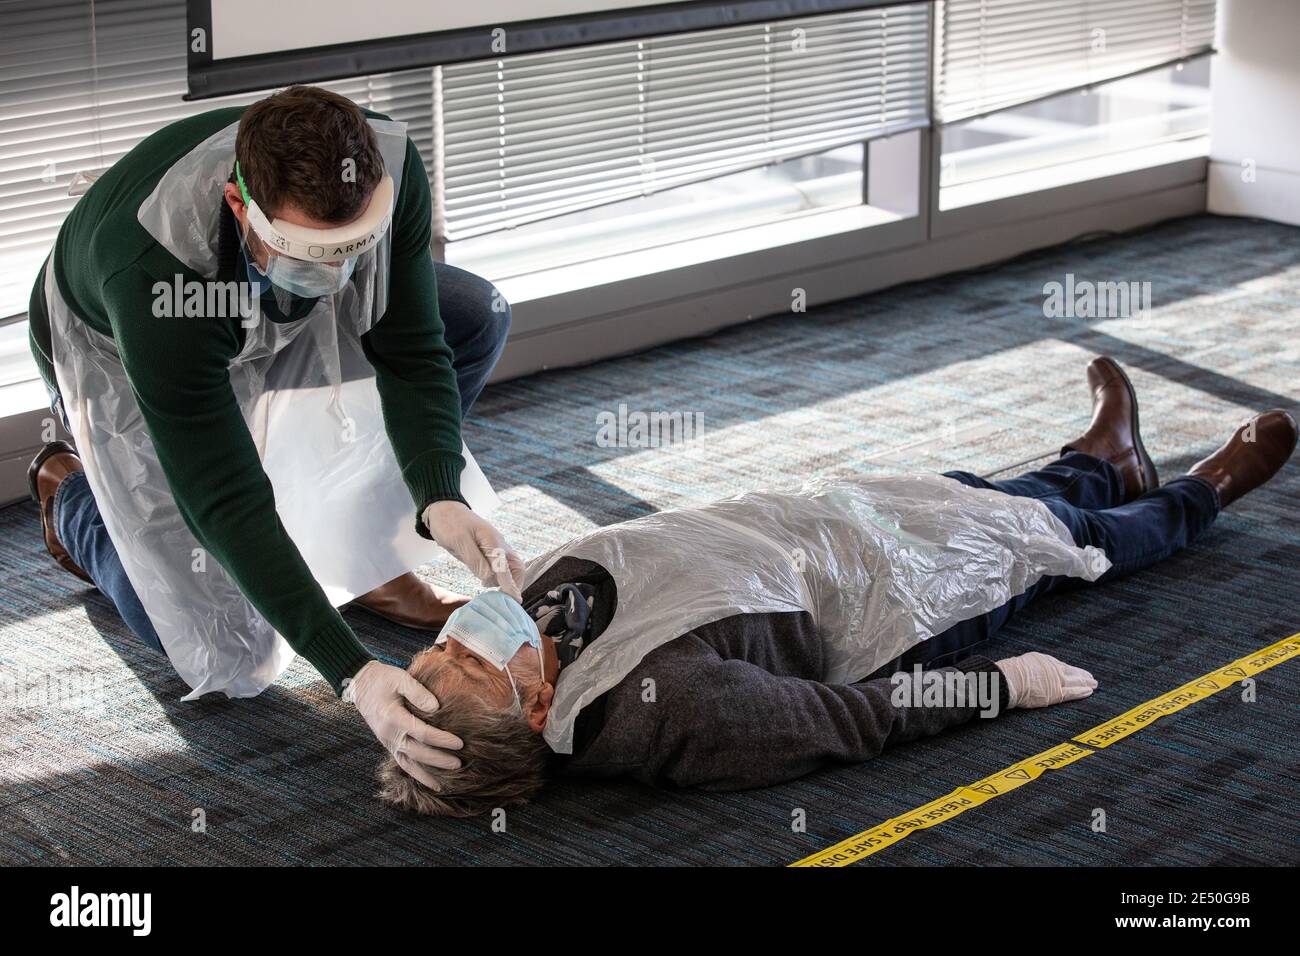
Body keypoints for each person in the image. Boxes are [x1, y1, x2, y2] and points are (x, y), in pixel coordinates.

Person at [372, 358, 1297, 816]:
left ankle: (1099, 460)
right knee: (1055, 542)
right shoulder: (676, 712)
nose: (465, 634)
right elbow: (854, 718)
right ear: (539, 712)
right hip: (905, 598)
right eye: (473, 664)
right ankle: (1197, 495)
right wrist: (1001, 688)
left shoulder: (529, 623)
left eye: (439, 647)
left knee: (973, 497)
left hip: (815, 528)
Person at [26, 85, 527, 787]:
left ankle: (365, 560)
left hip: (254, 298)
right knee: (216, 642)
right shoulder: (148, 265)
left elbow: (412, 349)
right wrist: (350, 671)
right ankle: (70, 500)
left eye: (355, 248)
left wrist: (440, 493)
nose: (339, 275)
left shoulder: (389, 167)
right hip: (131, 340)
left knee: (473, 315)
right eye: (312, 252)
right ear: (241, 206)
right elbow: (225, 497)